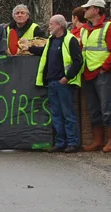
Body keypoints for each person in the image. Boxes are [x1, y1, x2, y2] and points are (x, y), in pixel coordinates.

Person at [34, 15, 82, 153]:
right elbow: (45, 53)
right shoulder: (51, 40)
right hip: (52, 81)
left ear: (59, 25)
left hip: (64, 83)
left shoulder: (70, 40)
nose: (49, 26)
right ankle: (60, 142)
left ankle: (72, 142)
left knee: (68, 114)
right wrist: (31, 49)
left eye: (51, 24)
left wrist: (67, 77)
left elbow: (78, 61)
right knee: (56, 114)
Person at [79, 0, 111, 153]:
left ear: (96, 10)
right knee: (93, 108)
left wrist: (105, 67)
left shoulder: (109, 27)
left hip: (101, 73)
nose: (84, 11)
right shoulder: (84, 29)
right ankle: (97, 141)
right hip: (88, 72)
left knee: (107, 107)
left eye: (87, 8)